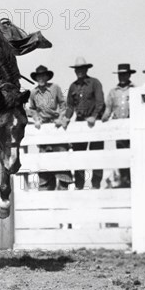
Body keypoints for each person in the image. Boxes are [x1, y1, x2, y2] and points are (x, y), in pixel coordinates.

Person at [61, 57, 105, 190]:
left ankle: (96, 184)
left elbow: (100, 102)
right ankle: (80, 185)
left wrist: (94, 116)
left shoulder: (94, 83)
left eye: (81, 69)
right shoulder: (73, 86)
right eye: (77, 69)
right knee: (78, 155)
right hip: (79, 123)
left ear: (86, 69)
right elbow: (70, 106)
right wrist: (67, 118)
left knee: (96, 154)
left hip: (94, 122)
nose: (79, 72)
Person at [29, 65, 72, 191]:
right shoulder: (34, 92)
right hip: (43, 128)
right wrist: (36, 118)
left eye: (43, 76)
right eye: (38, 76)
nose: (41, 78)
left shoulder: (55, 88)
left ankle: (64, 188)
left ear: (47, 77)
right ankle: (46, 190)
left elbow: (64, 104)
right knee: (44, 160)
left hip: (55, 126)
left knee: (60, 157)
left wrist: (61, 118)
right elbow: (32, 108)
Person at [102, 64, 136, 188]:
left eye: (124, 74)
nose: (122, 77)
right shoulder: (113, 92)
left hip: (133, 128)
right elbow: (108, 110)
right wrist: (103, 119)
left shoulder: (135, 90)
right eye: (120, 74)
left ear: (129, 75)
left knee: (135, 154)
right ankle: (125, 180)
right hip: (119, 130)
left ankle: (135, 180)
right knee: (122, 155)